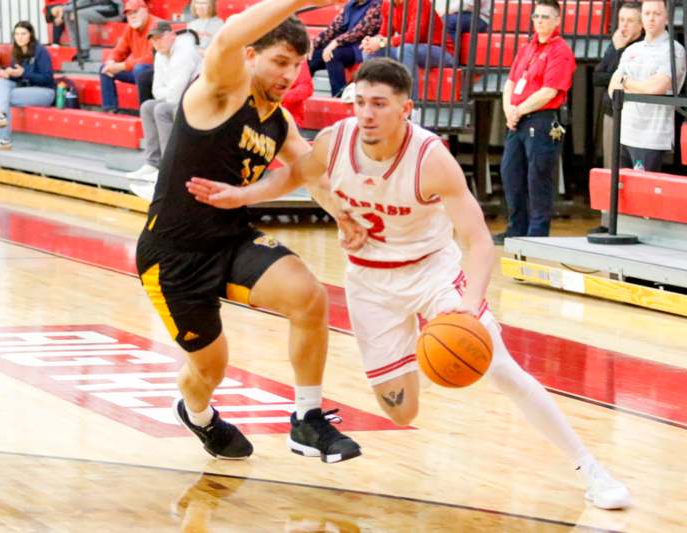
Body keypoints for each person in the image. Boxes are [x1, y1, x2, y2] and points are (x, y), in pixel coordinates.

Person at [187, 57, 632, 511]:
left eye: (379, 104)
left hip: (432, 275)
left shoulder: (430, 158)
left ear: (407, 109)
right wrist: (242, 195)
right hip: (370, 284)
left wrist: (469, 307)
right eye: (360, 102)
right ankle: (425, 348)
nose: (366, 113)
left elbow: (479, 241)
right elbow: (295, 175)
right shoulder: (335, 141)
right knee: (402, 412)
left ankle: (591, 469)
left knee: (501, 367)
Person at [135, 0, 362, 463]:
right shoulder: (220, 90)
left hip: (230, 238)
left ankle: (306, 419)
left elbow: (310, 171)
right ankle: (198, 415)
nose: (289, 75)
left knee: (308, 294)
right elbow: (227, 36)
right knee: (210, 368)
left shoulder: (279, 121)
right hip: (173, 254)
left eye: (297, 66)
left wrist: (345, 218)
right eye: (280, 61)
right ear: (251, 56)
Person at [492, 0, 575, 245]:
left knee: (538, 176)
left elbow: (549, 91)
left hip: (541, 120)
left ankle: (537, 234)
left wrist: (517, 110)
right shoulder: (527, 48)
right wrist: (509, 109)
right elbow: (509, 83)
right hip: (517, 120)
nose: (540, 21)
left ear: (558, 20)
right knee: (510, 173)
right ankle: (516, 227)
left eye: (546, 17)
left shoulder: (560, 51)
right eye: (537, 16)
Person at [608, 0, 686, 172]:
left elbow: (655, 89)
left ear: (667, 17)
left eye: (656, 14)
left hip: (651, 138)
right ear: (641, 17)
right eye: (647, 13)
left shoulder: (674, 50)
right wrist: (639, 85)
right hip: (624, 134)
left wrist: (626, 82)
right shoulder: (631, 50)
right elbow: (612, 89)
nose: (651, 18)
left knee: (643, 195)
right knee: (621, 194)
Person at [127, 22, 203, 186]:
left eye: (160, 38)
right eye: (153, 40)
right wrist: (167, 91)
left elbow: (175, 95)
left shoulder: (185, 52)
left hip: (198, 101)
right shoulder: (160, 54)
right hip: (180, 99)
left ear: (172, 35)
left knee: (162, 110)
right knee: (147, 106)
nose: (157, 43)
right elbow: (156, 90)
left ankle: (169, 167)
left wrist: (166, 91)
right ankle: (152, 163)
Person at [590, 2, 643, 234]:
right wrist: (615, 49)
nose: (624, 25)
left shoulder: (643, 47)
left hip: (636, 117)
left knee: (634, 170)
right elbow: (598, 77)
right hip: (612, 114)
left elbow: (616, 78)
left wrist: (618, 54)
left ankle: (634, 222)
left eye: (630, 21)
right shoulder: (615, 45)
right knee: (610, 168)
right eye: (621, 20)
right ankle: (607, 221)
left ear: (641, 25)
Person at [0, 21, 56, 150]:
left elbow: (47, 78)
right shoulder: (17, 52)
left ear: (30, 35)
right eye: (16, 34)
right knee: (0, 82)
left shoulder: (40, 51)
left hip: (45, 92)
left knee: (3, 98)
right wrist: (8, 74)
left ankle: (2, 136)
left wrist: (24, 73)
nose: (19, 37)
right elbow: (17, 76)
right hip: (26, 90)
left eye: (23, 33)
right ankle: (0, 122)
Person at [359, 0, 454, 99]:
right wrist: (371, 41)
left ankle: (411, 104)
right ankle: (377, 98)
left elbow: (413, 36)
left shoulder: (419, 2)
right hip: (411, 49)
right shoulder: (387, 4)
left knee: (405, 50)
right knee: (370, 50)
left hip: (442, 52)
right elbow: (384, 34)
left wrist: (381, 42)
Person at [308, 0, 381, 97]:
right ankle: (302, 93)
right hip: (344, 45)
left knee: (334, 55)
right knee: (311, 56)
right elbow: (333, 27)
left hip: (361, 48)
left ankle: (338, 96)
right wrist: (315, 43)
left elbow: (360, 31)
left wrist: (336, 42)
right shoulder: (350, 5)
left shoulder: (377, 5)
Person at [100, 0, 157, 112]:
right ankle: (110, 109)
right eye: (129, 14)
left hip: (157, 72)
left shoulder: (156, 25)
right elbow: (120, 50)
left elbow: (151, 58)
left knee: (140, 69)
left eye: (135, 12)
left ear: (145, 10)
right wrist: (111, 61)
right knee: (105, 68)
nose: (132, 16)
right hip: (137, 70)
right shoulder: (130, 28)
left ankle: (145, 112)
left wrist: (123, 66)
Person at [282, 60, 313, 127]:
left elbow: (306, 87)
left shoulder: (298, 59)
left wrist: (281, 96)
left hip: (289, 120)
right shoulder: (260, 59)